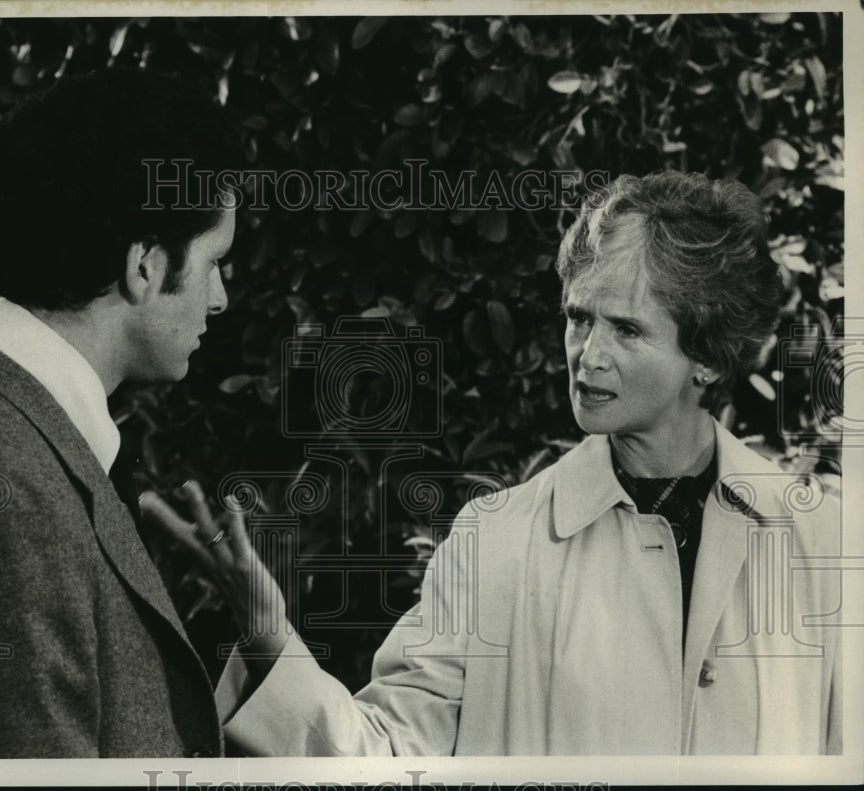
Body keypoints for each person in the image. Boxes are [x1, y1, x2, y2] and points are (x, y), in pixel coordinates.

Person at [143, 170, 842, 755]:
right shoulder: (496, 540)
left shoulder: (822, 542)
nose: (587, 354)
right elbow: (385, 755)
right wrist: (268, 629)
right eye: (578, 316)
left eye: (626, 329)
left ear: (710, 358)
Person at [0, 67, 240, 758]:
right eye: (215, 262)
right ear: (145, 265)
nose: (221, 298)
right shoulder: (8, 490)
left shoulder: (12, 433)